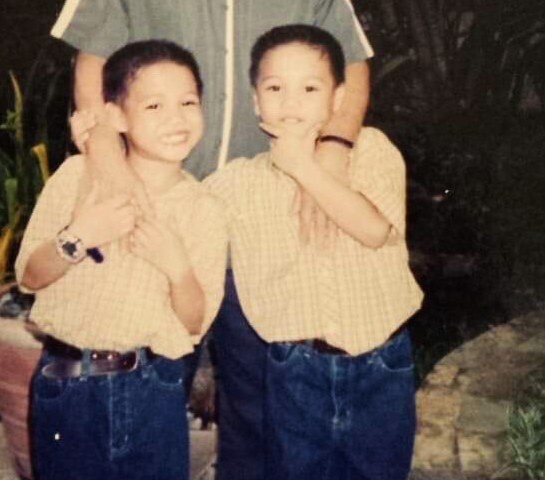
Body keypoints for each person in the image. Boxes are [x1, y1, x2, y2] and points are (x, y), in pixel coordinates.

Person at [50, 2, 373, 479]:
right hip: (159, 204)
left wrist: (332, 150)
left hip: (264, 208)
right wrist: (107, 159)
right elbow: (93, 58)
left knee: (259, 394)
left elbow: (352, 65)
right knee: (145, 380)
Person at [204, 24, 424, 480]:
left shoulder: (373, 151)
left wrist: (304, 166)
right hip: (293, 369)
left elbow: (372, 229)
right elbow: (175, 205)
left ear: (338, 98)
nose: (290, 102)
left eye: (309, 87)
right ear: (255, 100)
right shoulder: (237, 183)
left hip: (380, 363)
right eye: (274, 87)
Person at [15, 39, 228, 480]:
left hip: (152, 386)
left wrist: (176, 267)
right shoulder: (78, 176)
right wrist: (79, 236)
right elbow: (30, 277)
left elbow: (194, 321)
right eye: (154, 106)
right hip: (66, 382)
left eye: (188, 102)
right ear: (116, 116)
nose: (176, 118)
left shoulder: (204, 209)